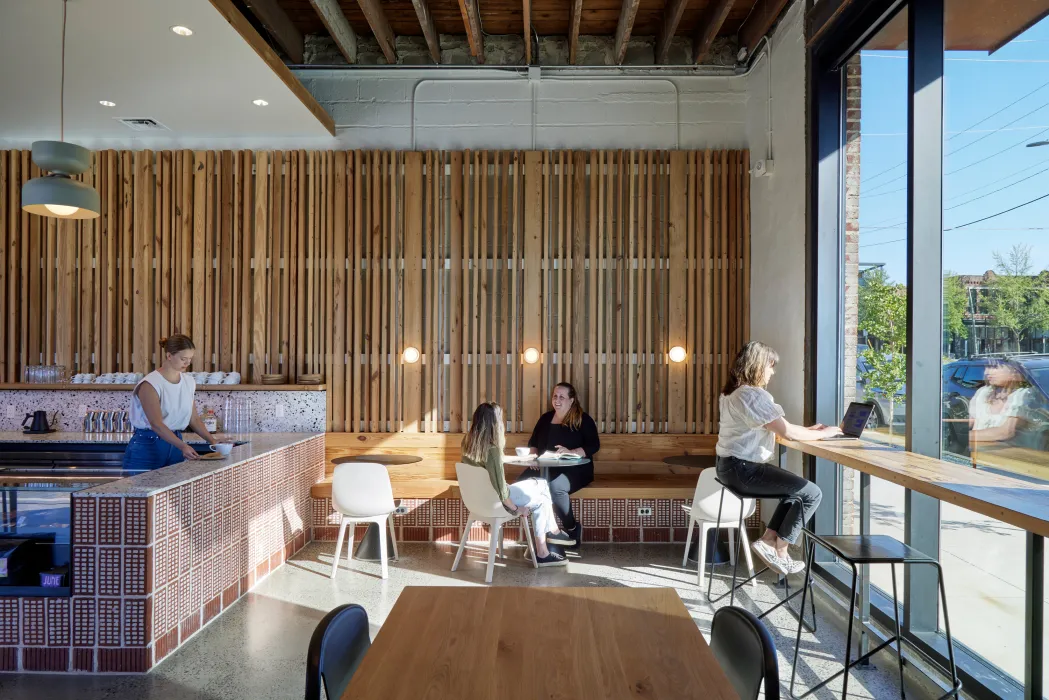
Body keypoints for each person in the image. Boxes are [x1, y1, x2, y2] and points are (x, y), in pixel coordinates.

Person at [715, 341, 840, 575]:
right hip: (744, 470)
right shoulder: (751, 395)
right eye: (771, 367)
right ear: (758, 366)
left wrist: (810, 431)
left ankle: (770, 540)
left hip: (728, 468)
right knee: (811, 492)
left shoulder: (734, 392)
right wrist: (825, 433)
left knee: (796, 491)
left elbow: (779, 426)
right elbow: (787, 432)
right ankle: (780, 550)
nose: (772, 372)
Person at [461, 402, 574, 566]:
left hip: (477, 502)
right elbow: (501, 490)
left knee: (541, 498)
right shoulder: (492, 450)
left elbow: (491, 464)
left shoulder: (469, 443)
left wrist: (518, 459)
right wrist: (516, 509)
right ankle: (551, 538)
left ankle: (544, 549)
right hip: (497, 501)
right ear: (494, 423)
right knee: (542, 485)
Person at [518, 382, 600, 548]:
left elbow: (594, 445)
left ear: (572, 400)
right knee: (521, 485)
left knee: (554, 488)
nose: (557, 400)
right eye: (555, 396)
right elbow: (533, 442)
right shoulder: (545, 418)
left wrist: (572, 452)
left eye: (562, 397)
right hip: (544, 467)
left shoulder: (583, 419)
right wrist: (533, 457)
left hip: (576, 469)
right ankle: (543, 535)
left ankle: (571, 528)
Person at [123, 335, 221, 470]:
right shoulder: (150, 384)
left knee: (173, 490)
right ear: (169, 356)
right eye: (183, 359)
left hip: (175, 443)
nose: (187, 363)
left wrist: (214, 442)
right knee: (141, 489)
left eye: (190, 359)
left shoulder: (189, 382)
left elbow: (194, 420)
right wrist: (182, 446)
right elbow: (156, 424)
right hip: (148, 446)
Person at [968, 359, 1030, 455]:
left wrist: (966, 437)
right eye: (987, 367)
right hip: (977, 454)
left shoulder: (1023, 395)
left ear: (1014, 372)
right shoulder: (983, 392)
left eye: (995, 367)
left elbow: (1005, 432)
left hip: (1010, 459)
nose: (986, 372)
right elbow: (970, 422)